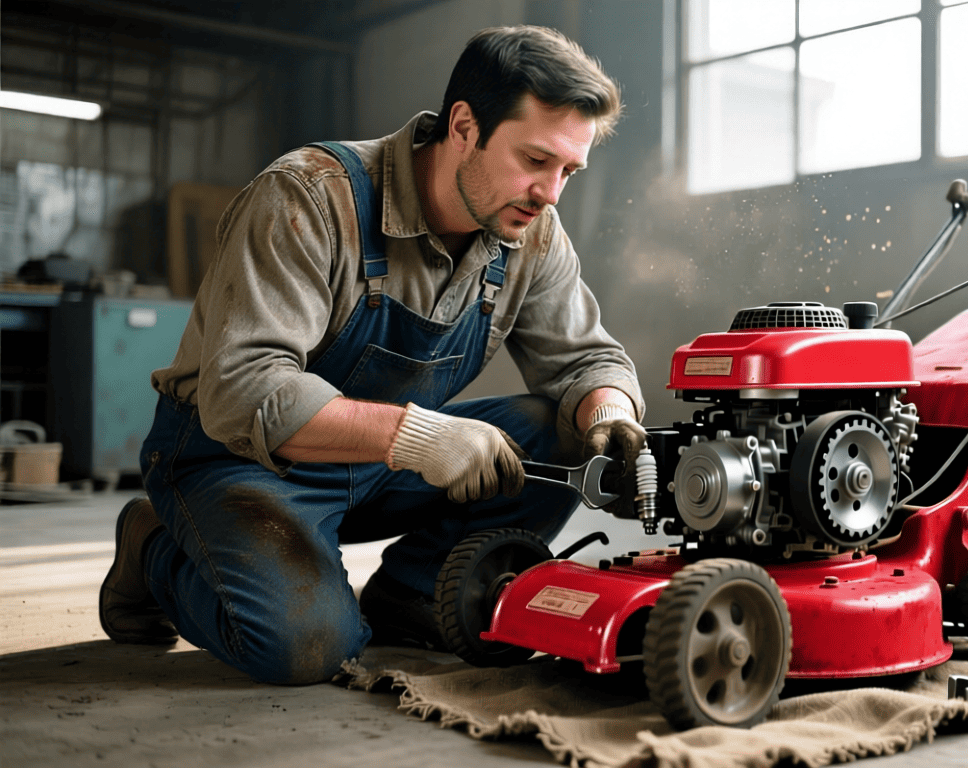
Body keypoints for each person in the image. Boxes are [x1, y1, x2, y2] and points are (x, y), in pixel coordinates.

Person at [98, 25, 647, 685]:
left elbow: (586, 360)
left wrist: (609, 412)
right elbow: (245, 392)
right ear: (464, 126)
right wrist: (416, 437)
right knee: (309, 646)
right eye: (535, 160)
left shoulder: (530, 233)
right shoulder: (309, 197)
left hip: (378, 465)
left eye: (568, 170)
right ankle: (154, 544)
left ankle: (416, 592)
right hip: (232, 462)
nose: (551, 192)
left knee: (561, 426)